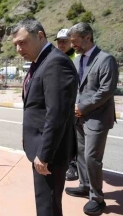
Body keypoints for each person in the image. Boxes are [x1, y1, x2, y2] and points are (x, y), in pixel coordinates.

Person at [12, 19, 78, 216]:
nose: (18, 49)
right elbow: (36, 107)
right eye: (15, 44)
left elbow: (57, 114)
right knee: (46, 203)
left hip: (50, 154)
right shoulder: (40, 61)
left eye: (22, 43)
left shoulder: (55, 63)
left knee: (47, 206)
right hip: (41, 145)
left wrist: (45, 154)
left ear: (40, 36)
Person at [65, 22, 119, 215]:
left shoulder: (106, 60)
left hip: (97, 118)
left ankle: (97, 198)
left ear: (87, 38)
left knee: (91, 158)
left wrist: (83, 106)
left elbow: (106, 90)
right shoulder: (77, 60)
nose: (73, 46)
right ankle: (85, 186)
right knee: (80, 154)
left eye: (75, 42)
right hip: (79, 116)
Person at [55, 28, 79, 181]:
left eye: (64, 41)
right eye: (59, 41)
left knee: (75, 136)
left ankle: (74, 167)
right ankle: (66, 162)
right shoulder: (56, 56)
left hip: (75, 103)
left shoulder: (77, 57)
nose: (61, 44)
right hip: (61, 103)